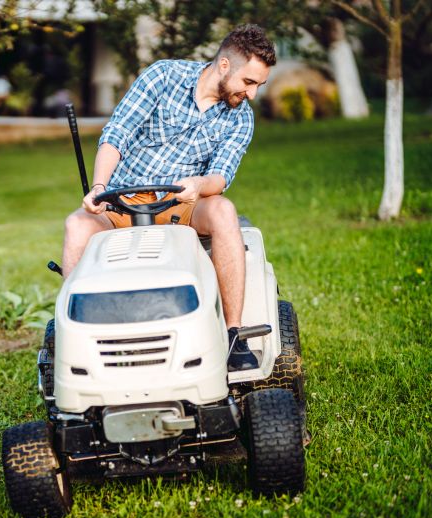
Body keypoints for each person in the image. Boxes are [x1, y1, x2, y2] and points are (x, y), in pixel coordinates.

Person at [61, 24, 276, 372]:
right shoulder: (162, 76)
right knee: (76, 225)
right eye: (248, 82)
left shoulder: (241, 119)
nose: (251, 94)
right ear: (224, 65)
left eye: (258, 86)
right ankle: (76, 340)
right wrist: (100, 187)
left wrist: (199, 183)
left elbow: (221, 175)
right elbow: (117, 133)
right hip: (124, 200)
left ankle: (235, 334)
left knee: (223, 210)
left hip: (182, 203)